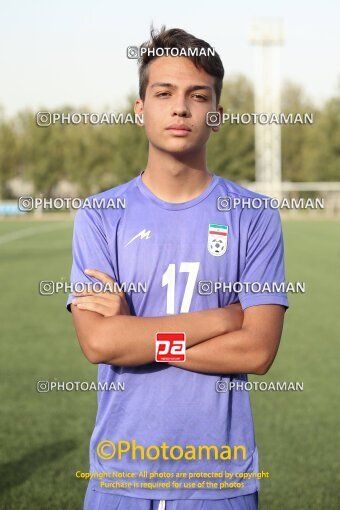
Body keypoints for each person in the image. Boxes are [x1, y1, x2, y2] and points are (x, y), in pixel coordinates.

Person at [66, 26, 288, 510]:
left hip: (219, 483)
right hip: (119, 476)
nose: (181, 107)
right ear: (140, 108)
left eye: (197, 95)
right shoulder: (100, 216)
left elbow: (256, 352)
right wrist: (221, 320)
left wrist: (138, 337)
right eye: (163, 92)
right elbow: (100, 343)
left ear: (218, 114)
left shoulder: (256, 215)